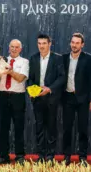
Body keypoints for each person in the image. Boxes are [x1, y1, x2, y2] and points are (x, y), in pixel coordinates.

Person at [27, 34, 65, 164]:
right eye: (39, 43)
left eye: (44, 43)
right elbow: (30, 78)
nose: (41, 46)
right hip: (37, 99)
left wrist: (49, 88)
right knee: (39, 128)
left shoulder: (58, 59)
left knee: (51, 128)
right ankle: (41, 156)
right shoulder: (33, 58)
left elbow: (62, 78)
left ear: (50, 44)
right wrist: (32, 90)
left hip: (51, 98)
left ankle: (50, 157)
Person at [0, 39, 29, 165]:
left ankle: (19, 156)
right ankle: (3, 156)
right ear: (8, 48)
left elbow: (20, 78)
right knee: (3, 128)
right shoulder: (1, 61)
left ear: (20, 49)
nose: (14, 49)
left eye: (16, 47)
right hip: (3, 96)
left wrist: (9, 70)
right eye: (12, 46)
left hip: (18, 97)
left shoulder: (24, 62)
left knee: (18, 127)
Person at [62, 33, 91, 167]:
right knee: (66, 129)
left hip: (83, 99)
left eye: (77, 43)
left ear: (82, 45)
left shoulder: (88, 59)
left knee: (82, 129)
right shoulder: (64, 58)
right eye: (72, 42)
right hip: (67, 98)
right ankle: (66, 157)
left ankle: (82, 157)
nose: (74, 45)